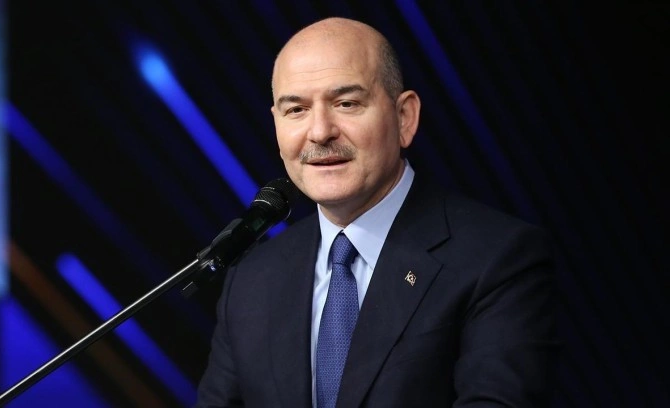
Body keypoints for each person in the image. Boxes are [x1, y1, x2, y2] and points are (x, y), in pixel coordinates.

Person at [196, 17, 558, 407]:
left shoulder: (499, 259)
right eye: (296, 110)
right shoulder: (252, 280)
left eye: (346, 104)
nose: (319, 132)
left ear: (404, 117)